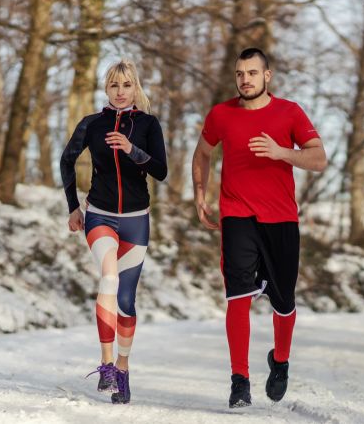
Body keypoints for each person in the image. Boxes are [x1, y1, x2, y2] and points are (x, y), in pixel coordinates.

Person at [191, 48, 327, 408]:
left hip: (281, 218)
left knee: (283, 303)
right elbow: (202, 151)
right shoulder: (221, 114)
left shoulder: (290, 112)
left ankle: (280, 361)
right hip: (237, 215)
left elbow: (318, 158)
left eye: (252, 73)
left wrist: (283, 152)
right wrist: (200, 194)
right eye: (239, 74)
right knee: (237, 294)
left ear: (267, 76)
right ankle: (240, 381)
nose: (245, 79)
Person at [60, 59, 167, 405]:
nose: (120, 92)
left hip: (136, 219)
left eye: (126, 85)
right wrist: (73, 207)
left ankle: (122, 366)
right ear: (106, 89)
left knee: (125, 300)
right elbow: (67, 160)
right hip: (100, 214)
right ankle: (106, 365)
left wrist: (133, 150)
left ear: (136, 88)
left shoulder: (148, 124)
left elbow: (162, 171)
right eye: (113, 86)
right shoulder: (93, 124)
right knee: (108, 276)